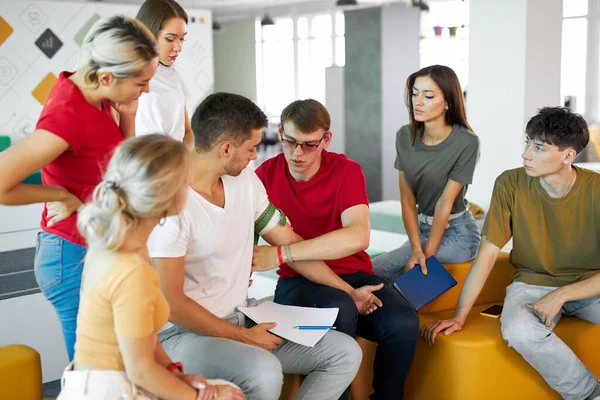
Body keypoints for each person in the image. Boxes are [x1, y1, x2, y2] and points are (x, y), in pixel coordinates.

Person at [148, 92, 378, 400]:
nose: (256, 156)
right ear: (226, 149)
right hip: (181, 334)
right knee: (264, 371)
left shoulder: (245, 181)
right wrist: (242, 336)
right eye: (252, 148)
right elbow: (171, 303)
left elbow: (291, 245)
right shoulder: (171, 202)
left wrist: (348, 292)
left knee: (344, 353)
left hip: (241, 316)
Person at [0, 15, 158, 361]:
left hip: (92, 245)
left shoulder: (93, 94)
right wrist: (60, 195)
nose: (145, 90)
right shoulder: (68, 116)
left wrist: (128, 114)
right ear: (106, 76)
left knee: (116, 363)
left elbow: (119, 166)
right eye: (141, 83)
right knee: (95, 372)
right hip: (69, 253)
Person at [422, 107, 600, 400]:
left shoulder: (595, 191)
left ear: (568, 156)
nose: (526, 154)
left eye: (539, 148)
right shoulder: (510, 183)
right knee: (517, 329)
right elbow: (488, 255)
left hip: (589, 286)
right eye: (527, 143)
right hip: (532, 284)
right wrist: (459, 315)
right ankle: (589, 393)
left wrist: (562, 295)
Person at [252, 99, 420, 400]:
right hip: (298, 282)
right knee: (340, 307)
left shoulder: (346, 170)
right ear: (279, 132)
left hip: (355, 274)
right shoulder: (263, 177)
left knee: (404, 323)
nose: (297, 153)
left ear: (326, 140)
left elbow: (358, 237)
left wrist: (281, 253)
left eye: (309, 144)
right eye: (290, 141)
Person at [57, 134, 243, 400]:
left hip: (94, 382)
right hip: (110, 390)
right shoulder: (133, 271)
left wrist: (175, 373)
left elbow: (139, 335)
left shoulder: (118, 243)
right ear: (167, 196)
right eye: (185, 181)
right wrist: (206, 397)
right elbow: (141, 371)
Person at [371, 65, 481, 282]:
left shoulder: (466, 142)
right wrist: (415, 248)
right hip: (421, 231)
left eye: (428, 96)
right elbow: (407, 199)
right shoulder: (405, 136)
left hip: (458, 234)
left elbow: (444, 204)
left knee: (378, 269)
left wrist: (425, 255)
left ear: (449, 102)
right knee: (376, 272)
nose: (418, 101)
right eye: (414, 93)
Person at [135, 0, 194, 149]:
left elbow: (187, 132)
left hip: (176, 165)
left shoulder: (175, 77)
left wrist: (180, 158)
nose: (178, 47)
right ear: (148, 34)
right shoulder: (128, 75)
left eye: (182, 39)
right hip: (146, 164)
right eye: (170, 39)